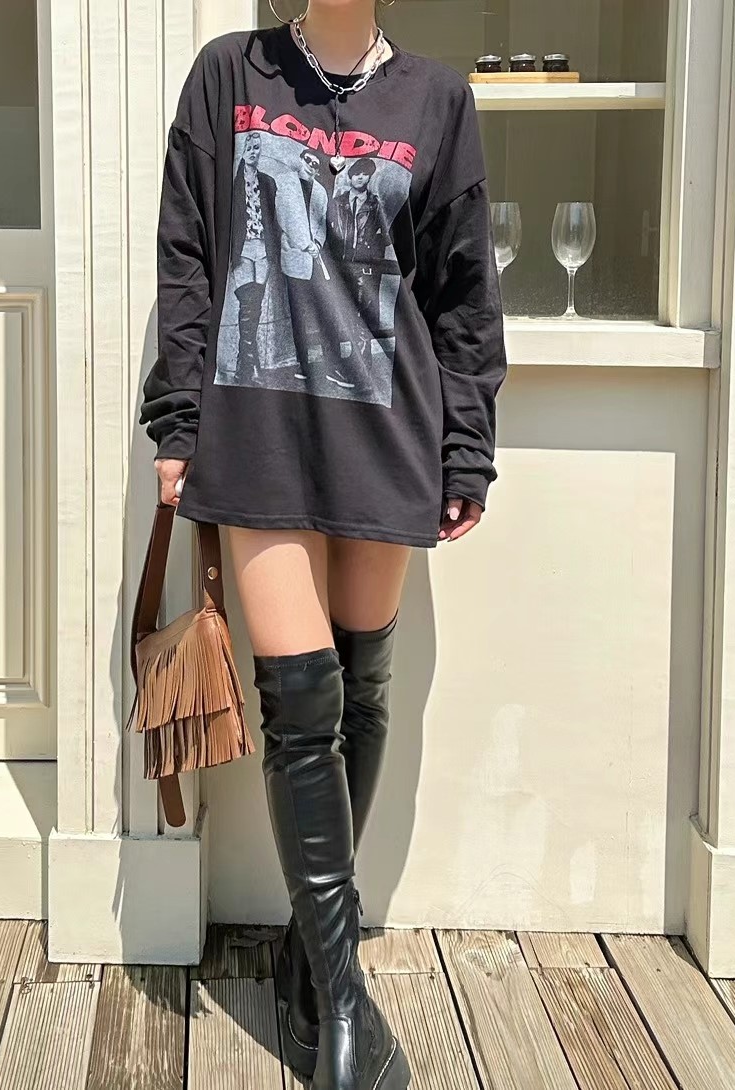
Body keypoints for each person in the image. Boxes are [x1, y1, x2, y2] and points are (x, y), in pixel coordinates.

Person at [138, 3, 507, 1088]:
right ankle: (344, 1005)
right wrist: (177, 420)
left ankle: (312, 959)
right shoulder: (230, 73)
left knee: (361, 687)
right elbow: (186, 253)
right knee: (300, 705)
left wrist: (466, 448)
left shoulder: (436, 98)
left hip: (385, 428)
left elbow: (461, 292)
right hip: (257, 426)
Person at [327, 155, 390, 391]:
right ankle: (343, 368)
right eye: (357, 174)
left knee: (363, 319)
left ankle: (363, 376)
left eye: (365, 174)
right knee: (340, 316)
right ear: (350, 176)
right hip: (341, 265)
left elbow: (385, 237)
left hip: (366, 267)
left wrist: (371, 256)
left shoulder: (375, 204)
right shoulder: (339, 202)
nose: (360, 178)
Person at [278, 148, 334, 384]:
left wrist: (317, 243)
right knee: (299, 315)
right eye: (308, 160)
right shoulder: (286, 184)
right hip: (295, 257)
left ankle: (328, 366)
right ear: (301, 160)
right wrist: (305, 244)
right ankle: (305, 366)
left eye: (316, 163)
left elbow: (321, 222)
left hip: (316, 259)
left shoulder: (320, 191)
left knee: (324, 311)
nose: (312, 165)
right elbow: (285, 218)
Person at [229, 130, 280, 385]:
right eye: (248, 147)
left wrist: (274, 252)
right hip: (242, 248)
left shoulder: (268, 182)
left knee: (255, 308)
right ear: (242, 150)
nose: (252, 152)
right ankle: (249, 366)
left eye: (256, 147)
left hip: (263, 248)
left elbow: (273, 220)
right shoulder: (232, 183)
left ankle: (246, 365)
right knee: (247, 306)